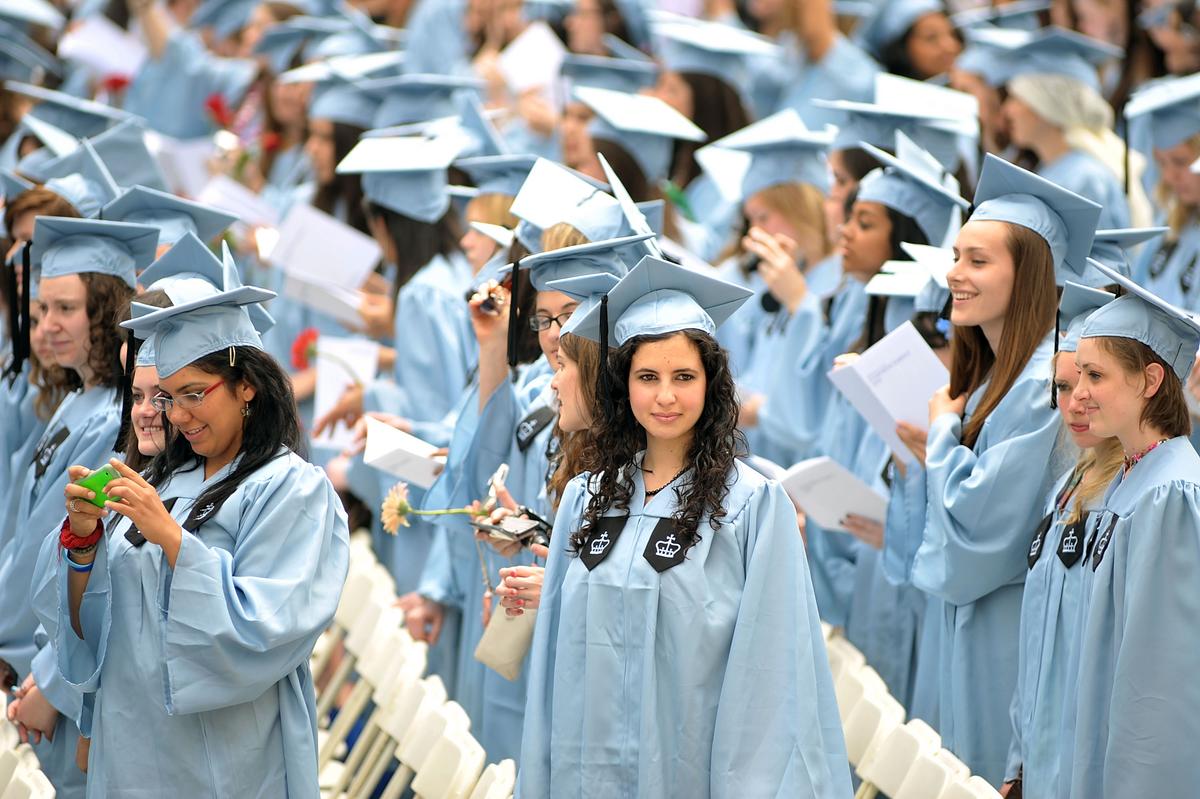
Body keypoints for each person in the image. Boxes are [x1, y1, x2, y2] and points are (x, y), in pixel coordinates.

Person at [519, 255, 850, 797]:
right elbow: (553, 673)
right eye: (647, 377)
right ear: (623, 385)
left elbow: (770, 677)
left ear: (711, 384)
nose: (666, 396)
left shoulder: (751, 507)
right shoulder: (586, 499)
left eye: (684, 377)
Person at [33, 276, 348, 797]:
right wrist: (83, 539)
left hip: (221, 760)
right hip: (130, 748)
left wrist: (172, 539)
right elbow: (99, 624)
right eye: (168, 398)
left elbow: (268, 628)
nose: (176, 416)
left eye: (192, 394)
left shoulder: (292, 489)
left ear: (246, 384)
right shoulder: (163, 480)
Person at [887, 155, 1101, 784]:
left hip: (1005, 624)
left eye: (978, 261)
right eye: (956, 256)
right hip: (975, 620)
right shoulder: (991, 382)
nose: (954, 274)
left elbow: (981, 529)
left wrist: (942, 433)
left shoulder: (1042, 386)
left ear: (1029, 276)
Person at [0, 217, 159, 796]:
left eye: (65, 308)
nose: (47, 327)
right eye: (41, 310)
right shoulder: (80, 399)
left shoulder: (114, 422)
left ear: (107, 310)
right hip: (38, 658)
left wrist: (37, 668)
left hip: (56, 666)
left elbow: (62, 550)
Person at [1060, 258, 1200, 796]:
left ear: (1151, 379)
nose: (1078, 395)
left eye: (1096, 376)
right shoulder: (1131, 477)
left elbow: (1161, 676)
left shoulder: (1171, 493)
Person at [1002, 282, 1123, 799]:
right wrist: (1019, 759)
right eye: (1061, 386)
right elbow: (1036, 642)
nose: (1074, 403)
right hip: (1043, 763)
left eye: (1091, 380)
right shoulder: (1067, 485)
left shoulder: (1139, 500)